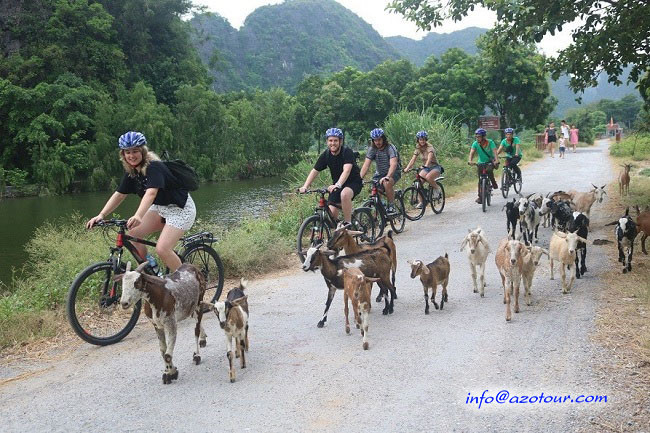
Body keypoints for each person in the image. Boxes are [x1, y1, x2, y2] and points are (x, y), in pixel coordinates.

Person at [86, 131, 196, 272]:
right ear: (123, 155)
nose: (131, 155)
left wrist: (138, 215)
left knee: (162, 249)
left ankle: (186, 282)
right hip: (160, 207)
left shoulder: (154, 167)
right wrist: (101, 215)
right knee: (132, 235)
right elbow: (119, 195)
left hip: (180, 210)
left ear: (143, 152)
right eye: (127, 152)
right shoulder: (132, 172)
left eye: (135, 151)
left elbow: (151, 193)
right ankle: (152, 270)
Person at [299, 127, 363, 225]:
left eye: (335, 141)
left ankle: (348, 223)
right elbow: (315, 171)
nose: (332, 143)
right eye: (330, 140)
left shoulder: (347, 152)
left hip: (353, 182)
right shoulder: (326, 154)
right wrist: (305, 186)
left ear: (340, 141)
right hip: (337, 185)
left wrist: (338, 185)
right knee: (331, 216)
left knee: (344, 194)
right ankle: (338, 231)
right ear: (327, 141)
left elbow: (346, 171)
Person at [359, 128, 401, 214]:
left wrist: (388, 177)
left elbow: (393, 164)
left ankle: (391, 205)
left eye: (379, 140)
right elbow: (366, 165)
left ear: (383, 139)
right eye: (375, 140)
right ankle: (381, 215)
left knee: (386, 183)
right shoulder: (372, 149)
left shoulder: (390, 147)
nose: (377, 142)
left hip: (393, 172)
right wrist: (359, 178)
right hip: (379, 174)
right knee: (375, 193)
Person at [402, 130, 444, 208]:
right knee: (418, 183)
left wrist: (426, 165)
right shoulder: (418, 148)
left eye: (424, 139)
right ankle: (422, 201)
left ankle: (437, 190)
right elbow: (413, 159)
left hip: (435, 167)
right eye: (420, 139)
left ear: (426, 139)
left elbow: (430, 157)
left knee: (428, 177)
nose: (422, 141)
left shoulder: (430, 147)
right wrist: (407, 168)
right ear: (418, 140)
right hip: (426, 168)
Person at [468, 128, 499, 204]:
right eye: (476, 137)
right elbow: (471, 152)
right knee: (480, 180)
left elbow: (495, 151)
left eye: (479, 136)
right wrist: (470, 160)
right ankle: (480, 197)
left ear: (483, 137)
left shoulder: (490, 142)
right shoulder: (475, 143)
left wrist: (496, 160)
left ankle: (493, 182)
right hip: (480, 163)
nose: (477, 138)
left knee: (489, 170)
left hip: (489, 162)